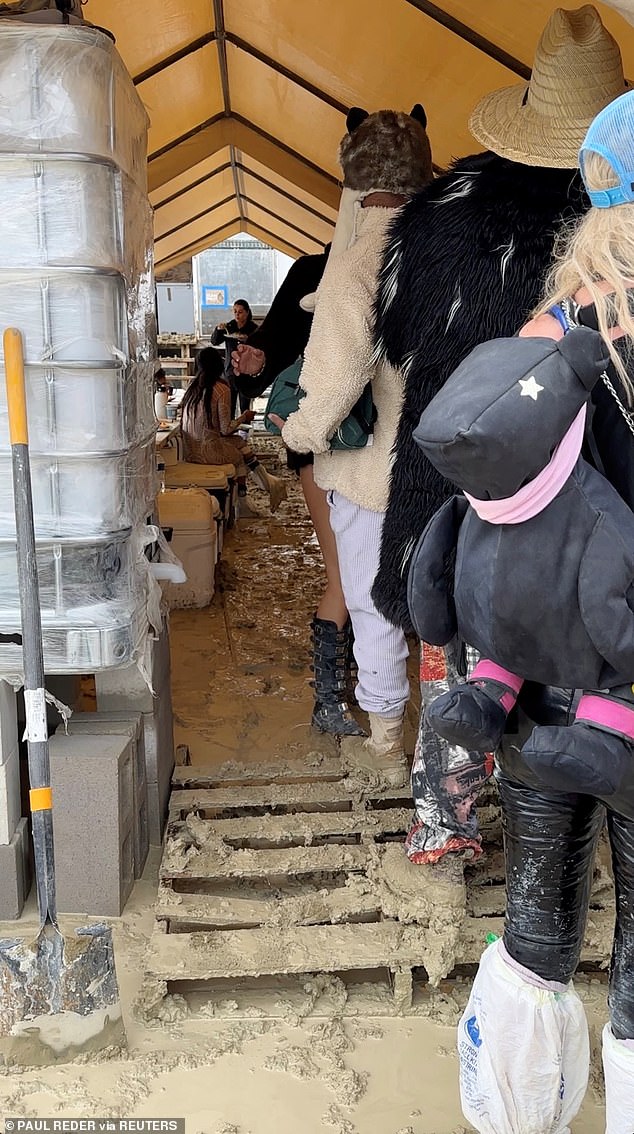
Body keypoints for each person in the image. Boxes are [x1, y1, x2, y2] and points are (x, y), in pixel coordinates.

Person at [368, 4, 628, 862]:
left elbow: (398, 344)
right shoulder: (610, 240)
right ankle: (563, 833)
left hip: (460, 480)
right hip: (598, 508)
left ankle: (444, 827)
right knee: (584, 664)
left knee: (469, 652)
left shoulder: (440, 213)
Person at [452, 88, 634, 1134]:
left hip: (535, 674)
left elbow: (489, 506)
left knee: (534, 923)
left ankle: (520, 1120)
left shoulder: (543, 334)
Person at [273, 104, 434, 786]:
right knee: (442, 608)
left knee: (375, 603)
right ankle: (450, 753)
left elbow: (337, 375)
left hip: (375, 468)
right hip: (450, 460)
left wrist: (297, 429)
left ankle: (386, 745)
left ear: (351, 175)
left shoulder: (359, 253)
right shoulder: (446, 240)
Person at [231, 247, 366, 737]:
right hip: (321, 441)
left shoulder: (405, 252)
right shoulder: (312, 271)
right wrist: (259, 353)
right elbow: (277, 339)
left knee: (363, 576)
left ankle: (352, 691)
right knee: (345, 576)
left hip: (376, 445)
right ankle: (332, 699)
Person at [180, 346, 286, 513]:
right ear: (220, 364)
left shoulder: (192, 389)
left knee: (240, 442)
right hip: (208, 452)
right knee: (240, 456)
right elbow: (225, 429)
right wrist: (244, 417)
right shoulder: (221, 389)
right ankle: (245, 502)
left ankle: (269, 485)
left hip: (190, 450)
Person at [211, 299, 258, 416]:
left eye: (240, 312)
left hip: (247, 373)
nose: (237, 314)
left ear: (247, 312)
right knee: (228, 406)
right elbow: (214, 341)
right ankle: (229, 430)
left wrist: (248, 340)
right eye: (235, 312)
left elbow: (260, 347)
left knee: (244, 406)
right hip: (230, 372)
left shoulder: (254, 329)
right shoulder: (229, 327)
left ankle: (245, 432)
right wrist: (218, 330)